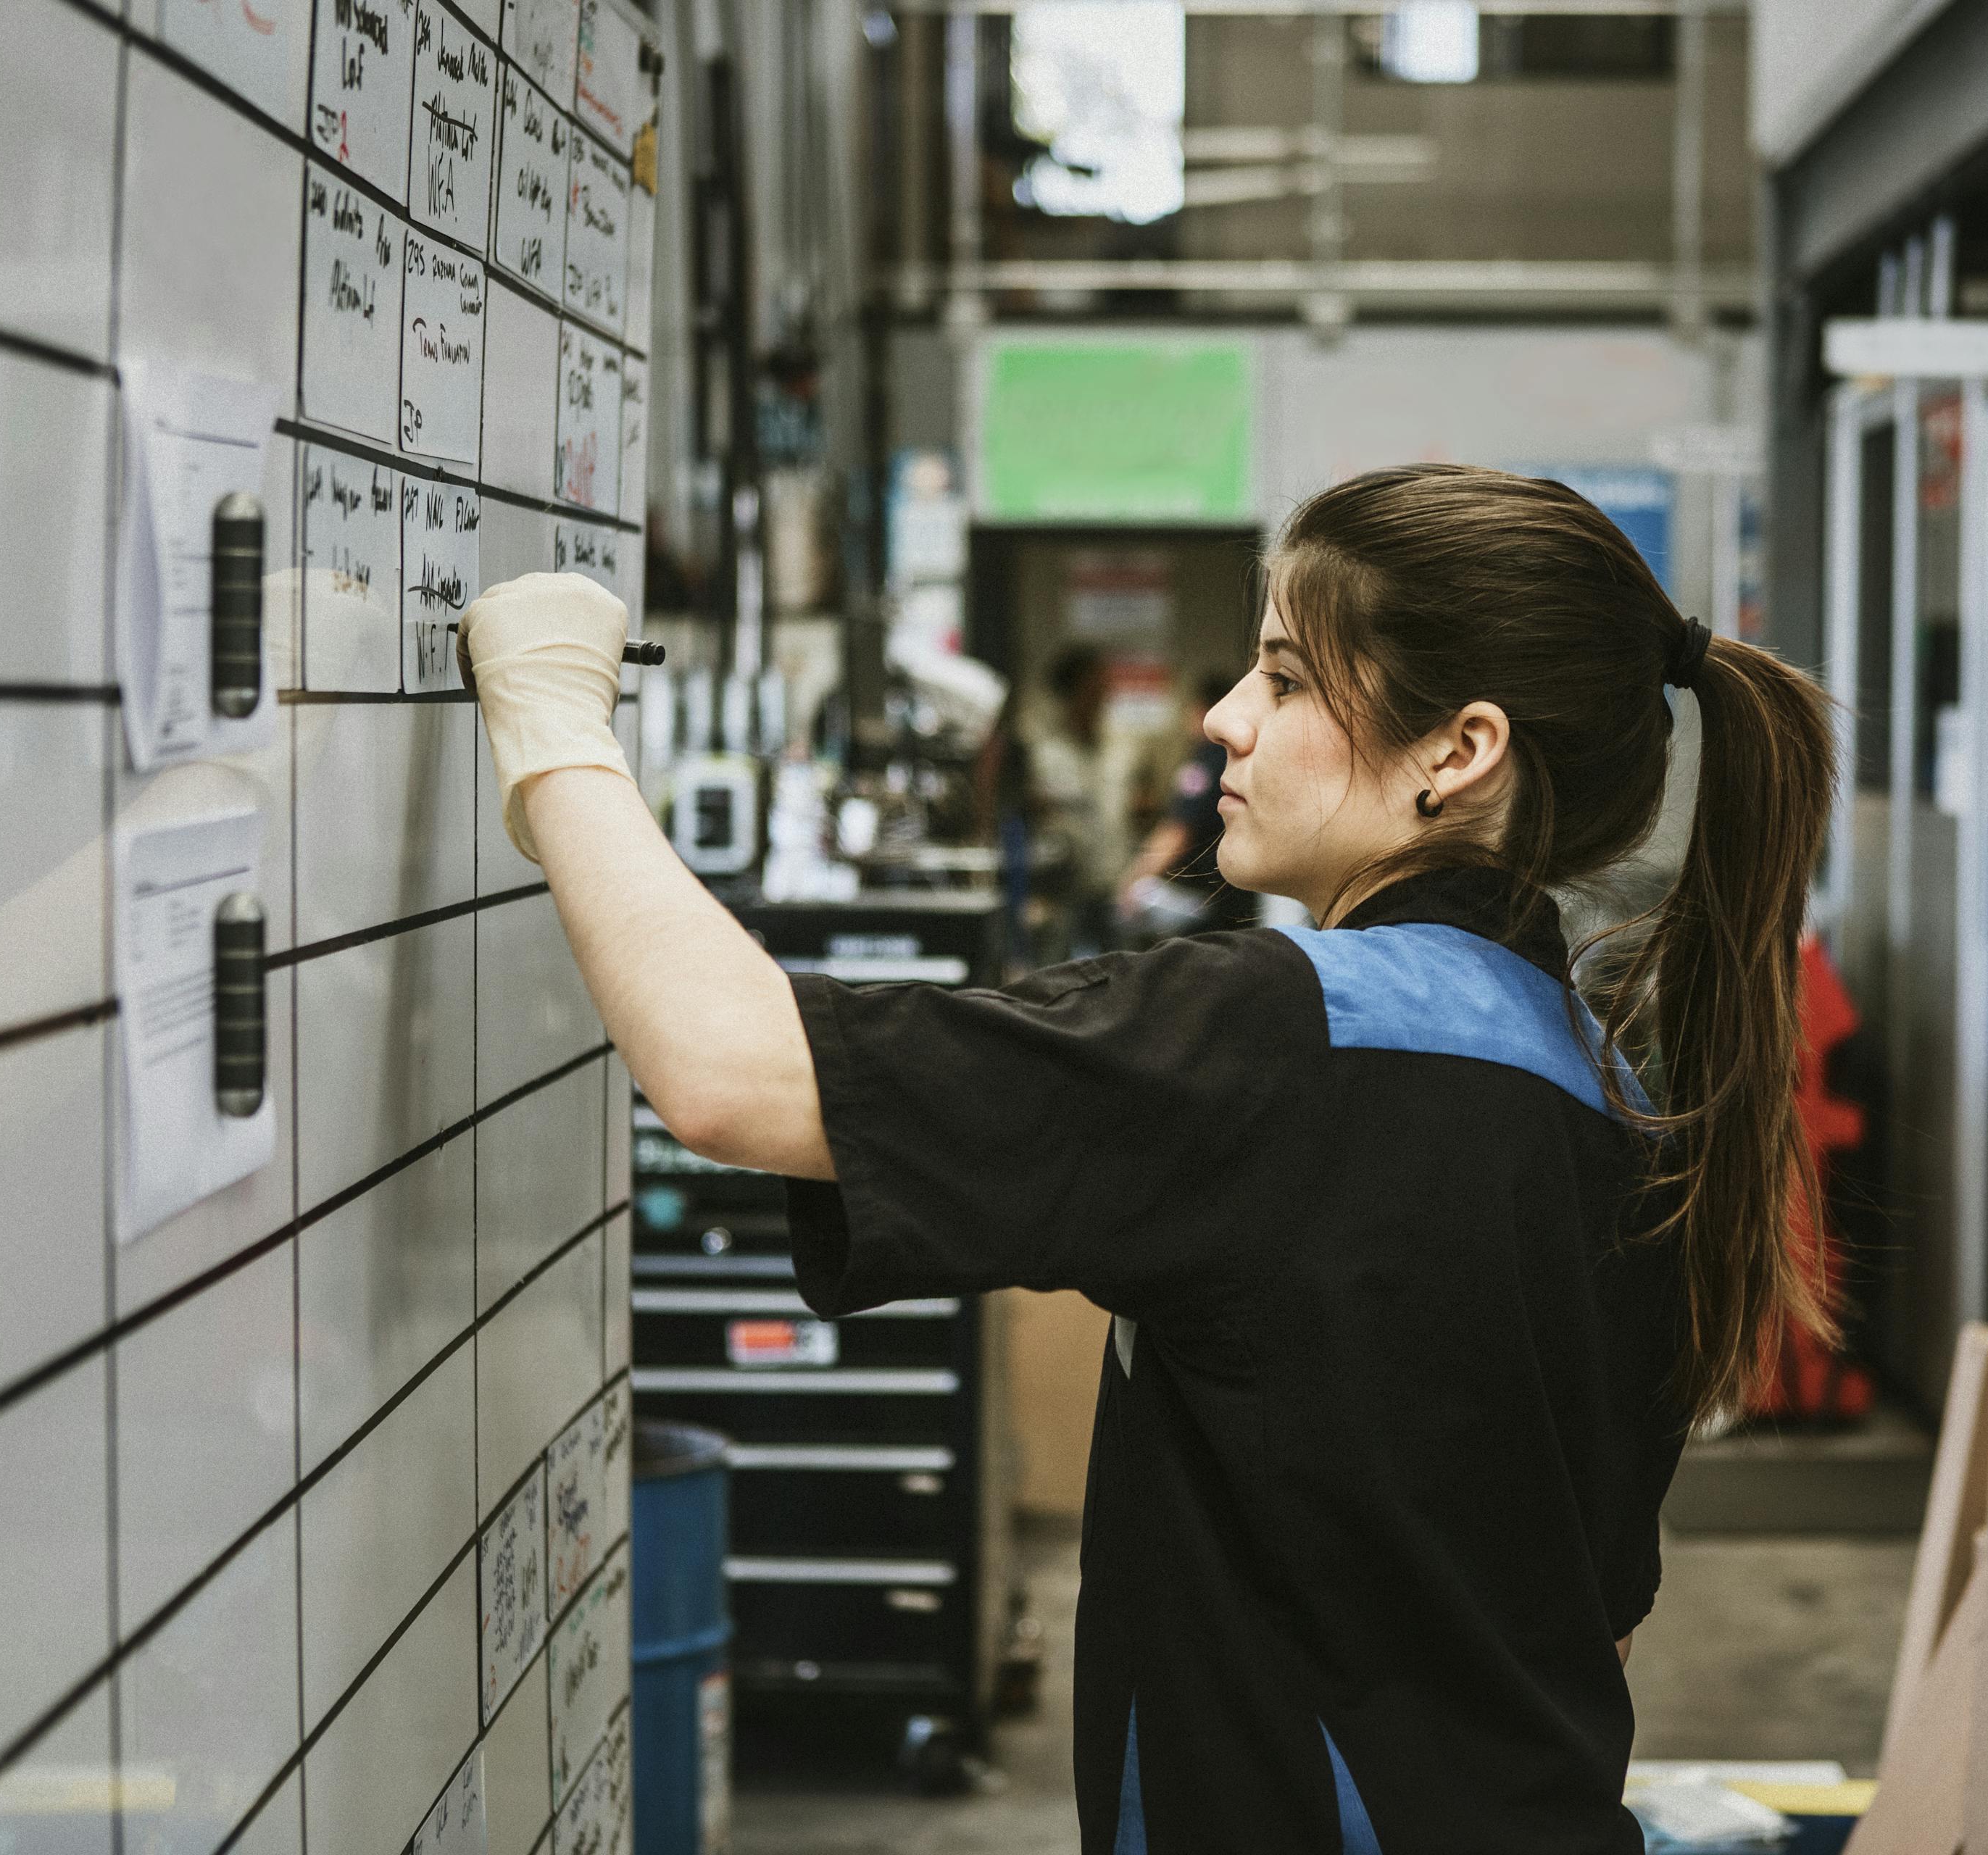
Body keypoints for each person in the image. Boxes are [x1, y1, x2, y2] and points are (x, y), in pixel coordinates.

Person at [459, 462, 1837, 1854]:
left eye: (1288, 681)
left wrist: (555, 733)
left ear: (1457, 751)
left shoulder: (1285, 1042)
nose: (1225, 720)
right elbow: (1577, 1618)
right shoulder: (1611, 1098)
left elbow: (731, 1071)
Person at [1113, 666, 1252, 938]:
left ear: (1206, 712)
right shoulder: (1239, 758)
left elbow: (1177, 831)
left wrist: (1132, 880)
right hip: (1237, 897)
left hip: (1203, 903)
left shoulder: (1206, 760)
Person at [1026, 641, 1129, 959]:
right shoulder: (1045, 755)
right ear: (1071, 692)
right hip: (1065, 893)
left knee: (1122, 976)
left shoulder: (1119, 750)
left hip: (1114, 886)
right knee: (1057, 977)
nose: (1102, 695)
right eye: (1093, 686)